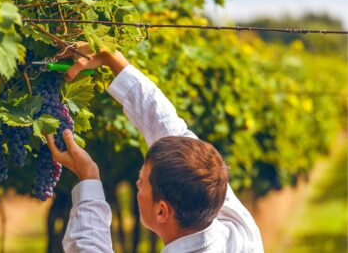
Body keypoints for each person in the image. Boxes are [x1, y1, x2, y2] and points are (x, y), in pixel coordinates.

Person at [45, 44, 264, 252]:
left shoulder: (239, 228)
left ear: (162, 210)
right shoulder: (240, 234)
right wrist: (113, 60)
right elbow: (170, 129)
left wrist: (88, 177)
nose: (137, 183)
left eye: (143, 184)